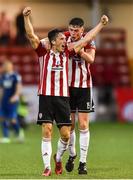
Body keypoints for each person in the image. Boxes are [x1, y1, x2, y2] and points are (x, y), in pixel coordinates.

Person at [23, 6, 108, 176]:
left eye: (66, 37)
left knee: (67, 133)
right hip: (47, 96)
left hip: (66, 95)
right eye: (63, 37)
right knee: (47, 130)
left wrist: (101, 25)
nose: (66, 39)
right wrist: (26, 18)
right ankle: (47, 167)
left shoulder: (67, 52)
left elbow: (86, 41)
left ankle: (64, 158)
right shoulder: (43, 52)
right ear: (54, 41)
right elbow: (32, 36)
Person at [64, 17, 97, 174]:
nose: (73, 32)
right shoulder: (64, 38)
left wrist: (80, 50)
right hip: (67, 87)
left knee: (83, 125)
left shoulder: (89, 40)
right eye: (71, 29)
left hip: (84, 87)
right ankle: (72, 155)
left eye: (76, 30)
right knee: (69, 125)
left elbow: (91, 60)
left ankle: (83, 162)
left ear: (82, 30)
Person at [0, 61, 22, 143]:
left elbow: (19, 87)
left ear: (11, 66)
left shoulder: (15, 76)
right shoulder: (3, 76)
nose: (5, 67)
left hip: (12, 101)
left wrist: (15, 96)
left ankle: (19, 133)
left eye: (6, 65)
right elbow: (2, 89)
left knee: (12, 119)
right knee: (2, 117)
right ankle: (6, 137)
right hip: (4, 101)